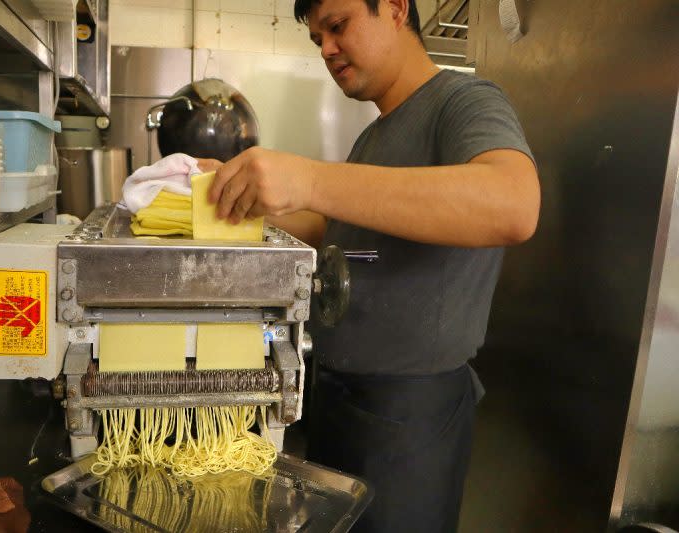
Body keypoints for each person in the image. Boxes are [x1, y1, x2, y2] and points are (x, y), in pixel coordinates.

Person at [199, 0, 539, 530]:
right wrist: (242, 202)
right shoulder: (374, 136)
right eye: (318, 40)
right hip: (342, 400)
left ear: (397, 9)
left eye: (338, 26)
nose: (328, 50)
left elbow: (513, 204)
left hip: (409, 420)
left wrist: (311, 180)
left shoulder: (463, 101)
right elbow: (341, 234)